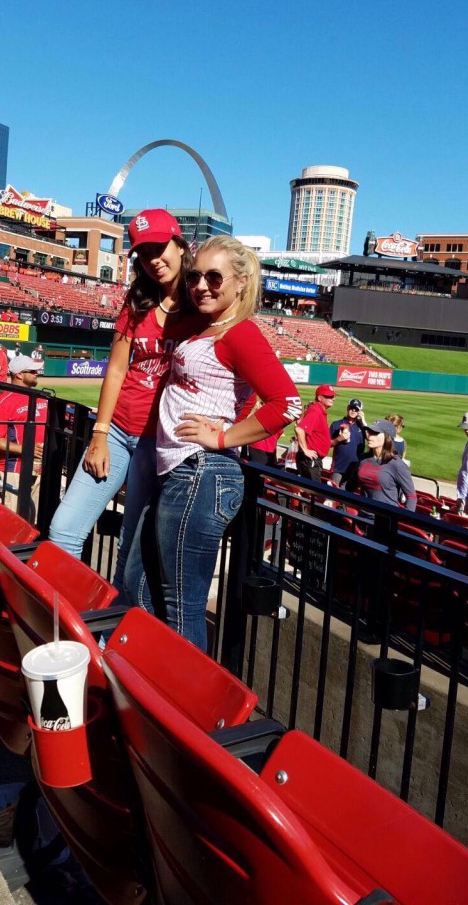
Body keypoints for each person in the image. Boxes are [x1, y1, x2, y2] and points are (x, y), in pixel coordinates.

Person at [149, 236, 302, 650]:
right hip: (185, 471)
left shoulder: (240, 332)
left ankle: (184, 691)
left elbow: (287, 404)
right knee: (164, 595)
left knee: (181, 606)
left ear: (240, 282)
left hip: (200, 471)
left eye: (214, 277)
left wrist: (221, 436)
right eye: (195, 276)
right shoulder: (209, 327)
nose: (201, 285)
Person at [48, 209, 198, 599]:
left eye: (160, 248)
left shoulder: (201, 304)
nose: (153, 260)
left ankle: (111, 628)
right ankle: (67, 620)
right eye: (144, 253)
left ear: (180, 245)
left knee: (129, 549)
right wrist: (98, 435)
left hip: (159, 442)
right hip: (116, 432)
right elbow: (116, 370)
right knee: (64, 529)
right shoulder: (139, 300)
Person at [0, 355, 48, 519]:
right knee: (13, 518)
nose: (37, 373)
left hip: (39, 466)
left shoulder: (41, 397)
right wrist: (26, 449)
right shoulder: (1, 403)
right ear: (19, 374)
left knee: (33, 519)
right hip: (14, 469)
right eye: (32, 371)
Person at [342, 418, 416, 511]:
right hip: (362, 516)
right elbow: (349, 486)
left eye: (375, 433)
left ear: (387, 437)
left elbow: (411, 497)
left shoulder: (396, 464)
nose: (369, 436)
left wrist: (403, 519)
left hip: (386, 517)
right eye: (369, 432)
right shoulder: (363, 459)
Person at [295, 384, 336, 481]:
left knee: (308, 488)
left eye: (332, 396)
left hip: (311, 460)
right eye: (329, 396)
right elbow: (299, 429)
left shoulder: (318, 410)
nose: (332, 399)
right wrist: (305, 450)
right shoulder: (316, 411)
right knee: (314, 489)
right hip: (310, 460)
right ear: (320, 398)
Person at [329, 397, 366, 485]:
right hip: (338, 467)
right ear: (347, 408)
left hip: (355, 468)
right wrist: (339, 439)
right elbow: (327, 444)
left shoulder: (363, 427)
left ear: (360, 411)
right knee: (333, 491)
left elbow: (371, 438)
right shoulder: (336, 424)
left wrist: (363, 422)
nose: (353, 410)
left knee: (349, 492)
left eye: (356, 409)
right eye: (351, 408)